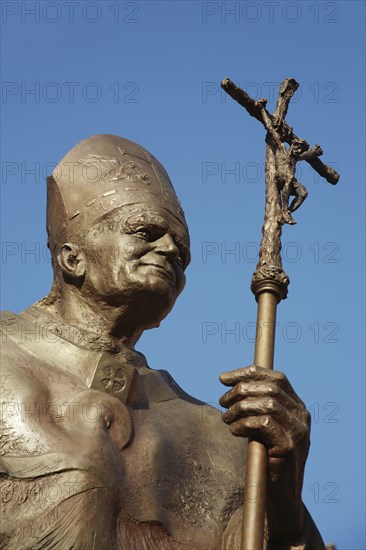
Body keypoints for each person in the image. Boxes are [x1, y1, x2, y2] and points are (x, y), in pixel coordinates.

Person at [0, 135, 325, 549]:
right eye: (145, 232)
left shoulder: (222, 438)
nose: (170, 249)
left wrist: (286, 503)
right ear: (72, 257)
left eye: (182, 252)